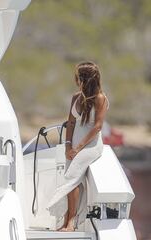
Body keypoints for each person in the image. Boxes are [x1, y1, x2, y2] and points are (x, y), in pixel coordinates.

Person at [47, 61, 109, 231]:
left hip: (90, 146)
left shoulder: (100, 98)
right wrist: (68, 146)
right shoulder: (76, 97)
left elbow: (97, 127)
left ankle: (71, 221)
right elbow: (71, 124)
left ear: (84, 78)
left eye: (78, 77)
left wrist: (78, 148)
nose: (76, 80)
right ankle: (67, 219)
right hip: (73, 146)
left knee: (71, 177)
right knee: (72, 177)